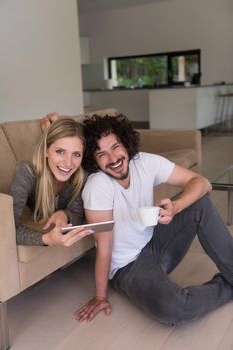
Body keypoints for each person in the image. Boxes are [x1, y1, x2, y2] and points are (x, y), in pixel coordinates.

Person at [75, 113, 233, 325]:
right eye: (101, 154)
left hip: (155, 241)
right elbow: (104, 247)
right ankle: (227, 287)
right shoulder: (97, 186)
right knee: (177, 309)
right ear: (93, 160)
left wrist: (176, 207)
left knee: (200, 204)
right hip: (128, 267)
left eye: (115, 147)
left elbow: (202, 182)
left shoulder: (144, 162)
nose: (112, 159)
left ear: (126, 143)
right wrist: (100, 296)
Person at [10, 117, 93, 246]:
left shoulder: (81, 176)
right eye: (60, 152)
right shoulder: (26, 172)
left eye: (76, 154)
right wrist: (46, 239)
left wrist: (64, 214)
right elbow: (8, 229)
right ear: (46, 150)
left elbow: (77, 213)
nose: (68, 163)